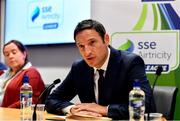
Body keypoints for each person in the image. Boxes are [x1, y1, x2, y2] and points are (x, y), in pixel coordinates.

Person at [45, 19, 156, 120]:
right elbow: (51, 100)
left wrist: (104, 109)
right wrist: (73, 109)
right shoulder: (79, 68)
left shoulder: (130, 63)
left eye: (92, 42)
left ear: (106, 39)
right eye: (81, 46)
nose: (87, 52)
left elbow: (146, 107)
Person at [0, 40, 45, 108]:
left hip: (12, 115)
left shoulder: (31, 73)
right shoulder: (5, 73)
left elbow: (29, 101)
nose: (10, 56)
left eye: (14, 52)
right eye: (7, 54)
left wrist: (4, 111)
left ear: (24, 54)